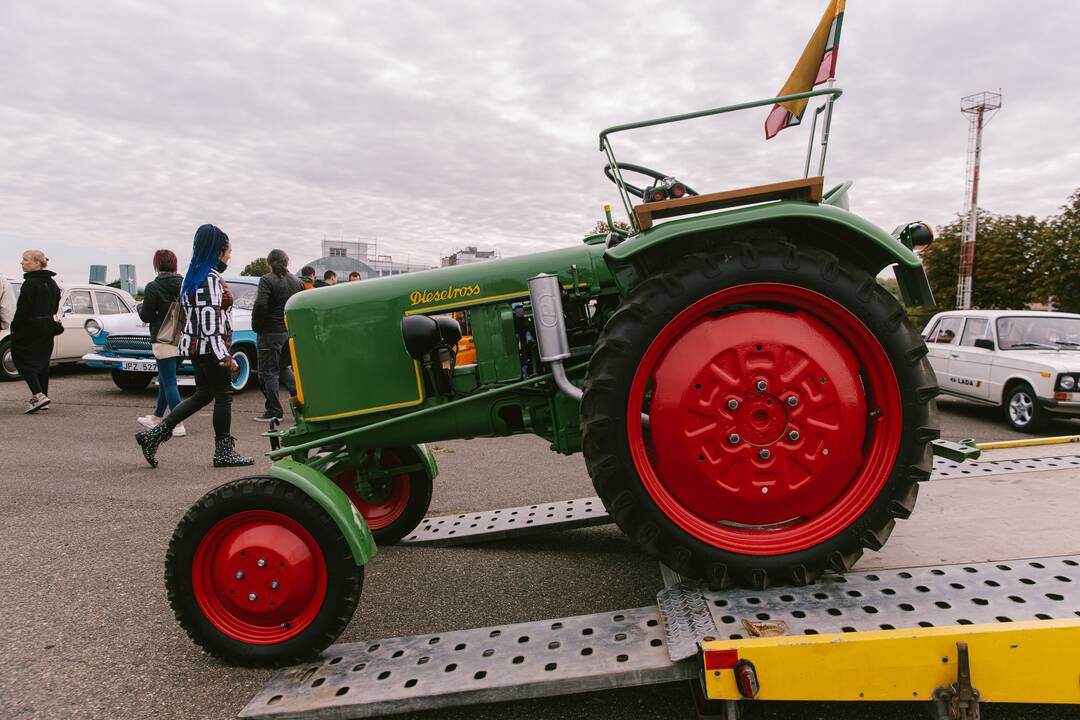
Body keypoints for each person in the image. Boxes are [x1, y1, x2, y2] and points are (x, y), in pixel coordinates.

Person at [136, 225, 253, 468]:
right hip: (210, 349)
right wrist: (225, 357)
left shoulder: (194, 277)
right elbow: (210, 324)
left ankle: (153, 436)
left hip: (195, 348)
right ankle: (223, 453)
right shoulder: (209, 279)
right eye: (228, 251)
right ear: (218, 251)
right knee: (223, 397)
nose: (230, 256)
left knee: (203, 395)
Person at [136, 249, 187, 437]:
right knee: (166, 379)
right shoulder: (184, 284)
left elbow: (147, 315)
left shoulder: (153, 286)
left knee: (169, 381)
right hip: (182, 337)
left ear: (157, 265)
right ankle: (157, 417)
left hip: (163, 338)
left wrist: (140, 306)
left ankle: (178, 423)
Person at [251, 249, 303, 422]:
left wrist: (257, 326)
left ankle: (274, 410)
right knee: (282, 368)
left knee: (269, 372)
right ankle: (300, 402)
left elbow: (260, 305)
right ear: (286, 262)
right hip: (289, 332)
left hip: (270, 332)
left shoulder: (267, 280)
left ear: (269, 263)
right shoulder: (297, 281)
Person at [11, 250, 61, 413]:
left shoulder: (30, 283)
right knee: (42, 361)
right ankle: (44, 399)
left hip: (29, 326)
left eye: (25, 260)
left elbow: (23, 309)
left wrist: (15, 326)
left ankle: (38, 396)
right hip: (47, 325)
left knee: (22, 359)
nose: (22, 263)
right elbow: (55, 307)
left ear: (37, 263)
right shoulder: (52, 283)